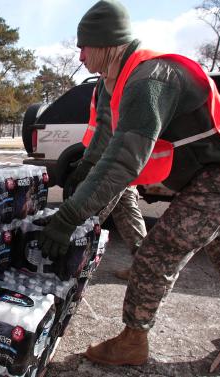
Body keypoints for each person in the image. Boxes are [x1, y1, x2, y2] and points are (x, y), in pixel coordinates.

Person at [38, 0, 220, 366]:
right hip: (218, 170)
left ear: (105, 42)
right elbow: (101, 145)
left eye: (84, 46)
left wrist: (68, 218)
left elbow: (122, 162)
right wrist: (80, 178)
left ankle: (132, 341)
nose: (80, 55)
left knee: (156, 254)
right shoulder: (113, 82)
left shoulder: (150, 80)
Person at [68, 72, 148, 281]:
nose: (82, 56)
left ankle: (68, 264)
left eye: (85, 48)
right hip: (119, 160)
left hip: (112, 163)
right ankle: (145, 268)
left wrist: (89, 163)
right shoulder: (108, 79)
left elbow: (107, 128)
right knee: (128, 213)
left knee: (88, 213)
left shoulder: (115, 79)